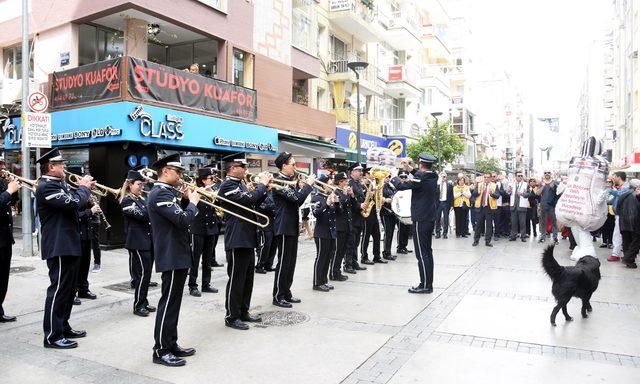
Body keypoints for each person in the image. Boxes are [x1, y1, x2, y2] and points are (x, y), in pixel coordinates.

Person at [36, 148, 93, 349]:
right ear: (51, 167)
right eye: (61, 164)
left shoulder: (60, 184)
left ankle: (63, 326)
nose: (65, 167)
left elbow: (76, 210)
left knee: (68, 290)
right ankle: (52, 335)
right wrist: (84, 187)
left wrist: (84, 193)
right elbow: (75, 203)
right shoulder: (46, 186)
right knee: (58, 289)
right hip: (59, 245)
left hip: (70, 243)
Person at [147, 154, 199, 367]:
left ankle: (171, 343)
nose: (181, 176)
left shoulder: (167, 193)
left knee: (174, 303)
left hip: (177, 252)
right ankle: (160, 350)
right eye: (178, 172)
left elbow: (177, 216)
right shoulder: (159, 194)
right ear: (165, 171)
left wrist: (186, 200)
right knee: (168, 303)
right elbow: (182, 219)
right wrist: (193, 204)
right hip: (171, 253)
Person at [218, 159, 270, 329]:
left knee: (248, 278)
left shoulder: (240, 184)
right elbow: (247, 200)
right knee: (236, 279)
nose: (246, 169)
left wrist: (264, 189)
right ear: (233, 168)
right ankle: (232, 316)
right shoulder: (227, 185)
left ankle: (243, 311)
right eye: (243, 167)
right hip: (237, 237)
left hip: (247, 236)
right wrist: (261, 185)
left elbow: (253, 202)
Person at [271, 152, 315, 308]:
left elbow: (296, 196)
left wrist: (300, 185)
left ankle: (286, 291)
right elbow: (297, 199)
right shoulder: (279, 182)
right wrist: (309, 185)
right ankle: (278, 295)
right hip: (283, 226)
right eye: (293, 164)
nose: (295, 167)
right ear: (284, 166)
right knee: (283, 262)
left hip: (292, 225)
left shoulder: (290, 181)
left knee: (291, 262)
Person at [391, 154, 438, 294]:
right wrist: (408, 168)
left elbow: (400, 185)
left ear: (422, 165)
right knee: (427, 253)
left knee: (422, 254)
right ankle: (427, 284)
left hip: (421, 219)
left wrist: (394, 175)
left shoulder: (421, 178)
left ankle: (425, 286)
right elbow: (419, 174)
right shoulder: (433, 175)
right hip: (428, 218)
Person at [120, 169, 156, 317]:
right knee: (141, 275)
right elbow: (143, 216)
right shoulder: (127, 200)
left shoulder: (141, 199)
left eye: (142, 184)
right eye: (139, 184)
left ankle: (144, 301)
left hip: (147, 240)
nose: (142, 187)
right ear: (129, 185)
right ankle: (138, 305)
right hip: (138, 242)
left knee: (147, 274)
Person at [188, 166, 220, 297]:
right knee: (195, 259)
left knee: (207, 259)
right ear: (202, 180)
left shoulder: (212, 190)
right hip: (198, 229)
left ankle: (206, 284)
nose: (212, 180)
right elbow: (187, 205)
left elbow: (218, 205)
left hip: (211, 228)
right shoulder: (194, 191)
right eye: (210, 178)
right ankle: (192, 285)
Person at [0, 158, 20, 324]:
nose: (2, 167)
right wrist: (8, 191)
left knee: (3, 278)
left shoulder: (1, 181)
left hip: (6, 238)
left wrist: (14, 188)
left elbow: (11, 202)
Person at [311, 175, 339, 292]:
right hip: (321, 232)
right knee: (321, 257)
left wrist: (336, 203)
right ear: (323, 185)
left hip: (331, 231)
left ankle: (324, 280)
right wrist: (327, 204)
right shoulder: (316, 197)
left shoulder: (330, 196)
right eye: (330, 184)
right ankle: (317, 283)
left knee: (328, 257)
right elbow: (316, 213)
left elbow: (338, 213)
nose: (332, 186)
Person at [75, 191, 101, 304]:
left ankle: (83, 289)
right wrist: (90, 211)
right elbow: (75, 214)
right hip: (76, 234)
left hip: (86, 232)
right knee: (76, 266)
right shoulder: (73, 194)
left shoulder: (85, 194)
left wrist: (92, 203)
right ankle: (72, 292)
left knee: (85, 263)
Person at [330, 172, 353, 282]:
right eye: (345, 181)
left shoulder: (344, 192)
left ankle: (337, 271)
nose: (347, 183)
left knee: (343, 250)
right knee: (337, 251)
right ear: (340, 182)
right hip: (339, 226)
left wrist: (350, 195)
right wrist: (344, 195)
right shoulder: (336, 192)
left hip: (346, 225)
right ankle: (334, 272)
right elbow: (339, 208)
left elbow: (350, 206)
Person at [345, 163, 367, 273]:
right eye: (358, 170)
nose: (361, 172)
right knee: (350, 243)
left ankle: (354, 262)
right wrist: (360, 206)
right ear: (352, 172)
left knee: (356, 241)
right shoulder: (349, 184)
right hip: (352, 217)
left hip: (359, 217)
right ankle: (348, 264)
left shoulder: (359, 184)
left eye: (361, 170)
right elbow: (349, 201)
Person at [361, 168, 386, 264]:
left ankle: (377, 256)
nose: (374, 176)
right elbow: (361, 198)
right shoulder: (362, 185)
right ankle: (364, 256)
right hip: (367, 212)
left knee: (377, 235)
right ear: (367, 175)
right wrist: (367, 195)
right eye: (372, 174)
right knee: (366, 236)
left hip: (375, 211)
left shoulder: (375, 184)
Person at [471, 173, 501, 247]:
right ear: (483, 178)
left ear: (491, 178)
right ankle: (476, 240)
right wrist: (478, 191)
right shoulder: (479, 184)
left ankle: (487, 241)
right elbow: (474, 194)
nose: (486, 179)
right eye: (485, 177)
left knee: (489, 225)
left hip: (489, 208)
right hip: (480, 207)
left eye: (488, 177)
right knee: (478, 225)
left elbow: (497, 196)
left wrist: (492, 194)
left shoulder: (494, 185)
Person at [618, 179, 640, 268]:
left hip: (623, 222)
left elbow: (616, 209)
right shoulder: (636, 196)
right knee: (636, 243)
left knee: (626, 242)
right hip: (635, 223)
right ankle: (628, 259)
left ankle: (629, 262)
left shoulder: (622, 195)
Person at [608, 171, 630, 262]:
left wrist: (611, 190)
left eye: (614, 177)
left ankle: (616, 254)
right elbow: (612, 200)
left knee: (619, 235)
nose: (613, 179)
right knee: (619, 235)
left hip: (623, 215)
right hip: (619, 215)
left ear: (619, 177)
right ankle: (624, 254)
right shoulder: (620, 188)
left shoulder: (625, 187)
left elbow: (621, 195)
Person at [255, 188, 277, 274]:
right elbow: (261, 206)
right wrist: (275, 206)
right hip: (265, 223)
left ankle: (268, 265)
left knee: (273, 245)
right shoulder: (260, 192)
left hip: (274, 223)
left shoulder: (273, 192)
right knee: (266, 245)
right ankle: (260, 265)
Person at [536, 170, 560, 244]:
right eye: (545, 173)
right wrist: (543, 186)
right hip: (543, 205)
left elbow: (559, 192)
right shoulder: (541, 183)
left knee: (554, 222)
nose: (547, 174)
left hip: (552, 205)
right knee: (543, 222)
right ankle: (543, 237)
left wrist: (554, 187)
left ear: (550, 174)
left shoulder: (555, 182)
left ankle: (555, 238)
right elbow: (537, 193)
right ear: (543, 174)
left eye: (548, 172)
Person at [508, 171, 530, 242]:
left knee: (522, 223)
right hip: (513, 206)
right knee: (513, 222)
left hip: (522, 206)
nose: (520, 177)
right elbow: (508, 193)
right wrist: (509, 191)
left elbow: (528, 194)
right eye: (519, 176)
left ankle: (523, 236)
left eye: (521, 176)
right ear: (515, 176)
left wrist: (523, 194)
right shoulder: (511, 184)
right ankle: (513, 236)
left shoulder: (526, 184)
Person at [380, 175, 398, 260]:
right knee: (388, 232)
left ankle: (388, 251)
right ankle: (386, 253)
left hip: (392, 212)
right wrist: (384, 200)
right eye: (386, 177)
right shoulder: (380, 186)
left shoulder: (390, 186)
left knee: (390, 233)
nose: (388, 178)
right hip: (385, 212)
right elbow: (377, 198)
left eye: (389, 177)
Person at [395, 170, 412, 254]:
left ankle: (404, 246)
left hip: (407, 211)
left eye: (405, 177)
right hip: (400, 211)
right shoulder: (397, 186)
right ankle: (400, 247)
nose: (403, 179)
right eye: (401, 177)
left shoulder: (408, 186)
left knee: (407, 229)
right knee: (401, 229)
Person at [435, 171, 454, 239]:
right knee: (437, 218)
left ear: (446, 177)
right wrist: (438, 183)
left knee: (446, 219)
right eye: (442, 176)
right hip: (438, 203)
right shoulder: (436, 184)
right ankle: (437, 233)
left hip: (446, 203)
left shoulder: (449, 185)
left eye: (444, 176)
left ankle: (445, 233)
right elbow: (434, 194)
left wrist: (452, 205)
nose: (443, 178)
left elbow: (452, 196)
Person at [600, 178, 616, 249]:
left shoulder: (614, 190)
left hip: (611, 211)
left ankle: (610, 242)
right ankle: (604, 241)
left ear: (612, 183)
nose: (608, 183)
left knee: (611, 227)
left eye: (610, 182)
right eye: (606, 181)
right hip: (603, 211)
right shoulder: (602, 190)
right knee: (603, 226)